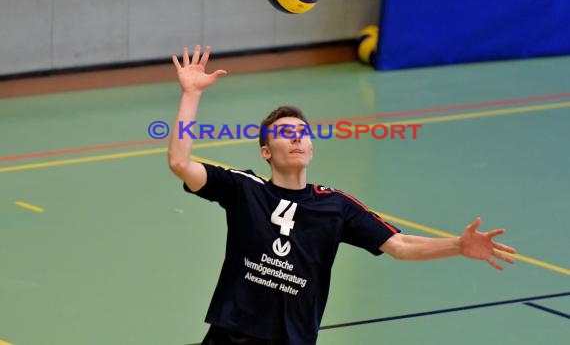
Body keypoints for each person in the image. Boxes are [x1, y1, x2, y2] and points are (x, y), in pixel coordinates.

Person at [168, 45, 517, 345]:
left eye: (302, 133)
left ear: (312, 147)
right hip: (232, 336)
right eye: (285, 133)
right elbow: (180, 162)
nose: (296, 138)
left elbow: (399, 246)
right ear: (265, 152)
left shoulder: (335, 206)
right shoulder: (244, 188)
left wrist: (457, 246)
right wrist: (192, 94)